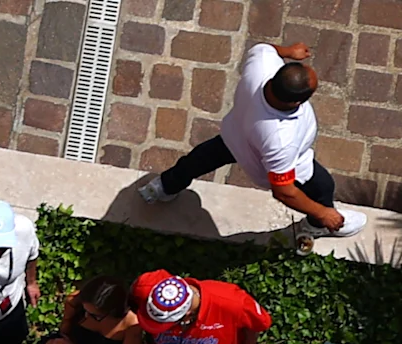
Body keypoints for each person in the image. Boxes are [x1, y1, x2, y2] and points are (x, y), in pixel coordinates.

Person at [136, 41, 364, 240]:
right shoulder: (281, 139)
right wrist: (323, 213)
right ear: (298, 102)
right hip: (268, 159)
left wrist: (288, 51)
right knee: (324, 186)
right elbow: (283, 191)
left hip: (236, 136)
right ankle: (315, 226)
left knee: (197, 160)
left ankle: (165, 186)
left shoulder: (262, 63)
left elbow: (266, 48)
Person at [132, 270, 274, 344]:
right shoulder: (151, 292)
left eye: (165, 325)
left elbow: (257, 324)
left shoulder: (232, 302)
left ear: (187, 314)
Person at [0, 201, 41, 344]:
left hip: (11, 303)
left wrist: (31, 283)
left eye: (0, 245)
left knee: (13, 335)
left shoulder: (24, 229)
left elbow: (32, 254)